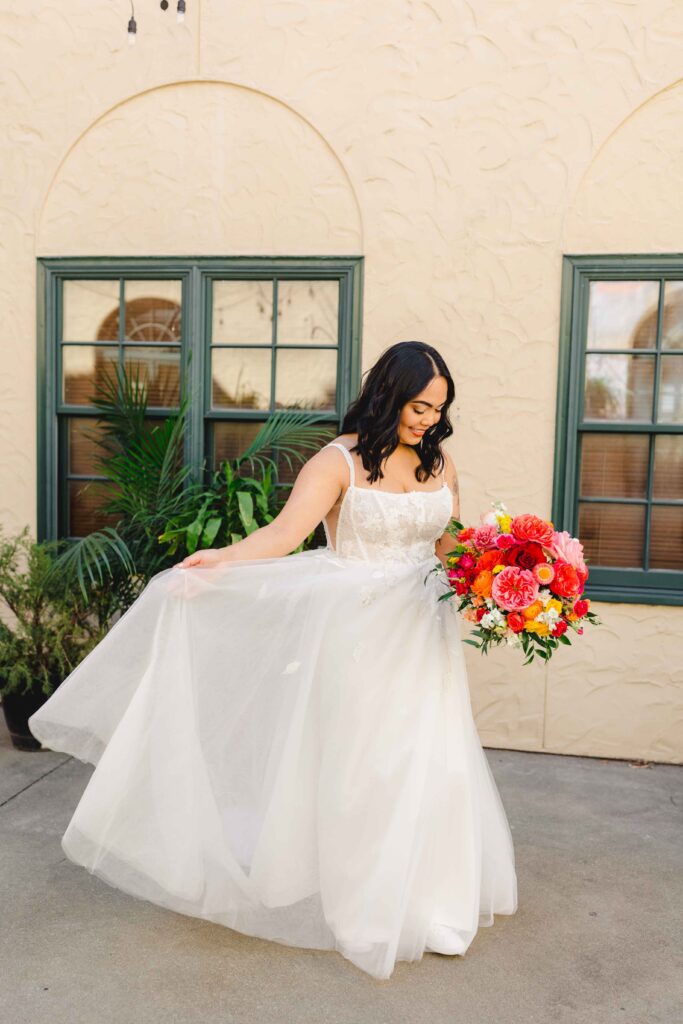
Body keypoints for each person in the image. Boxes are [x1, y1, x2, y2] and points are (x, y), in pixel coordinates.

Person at [28, 340, 518, 981]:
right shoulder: (337, 461)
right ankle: (363, 899)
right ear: (389, 395)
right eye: (420, 407)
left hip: (425, 630)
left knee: (430, 755)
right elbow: (285, 535)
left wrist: (512, 574)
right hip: (360, 631)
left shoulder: (440, 463)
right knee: (366, 761)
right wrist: (220, 561)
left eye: (438, 409)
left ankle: (427, 896)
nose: (428, 420)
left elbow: (453, 544)